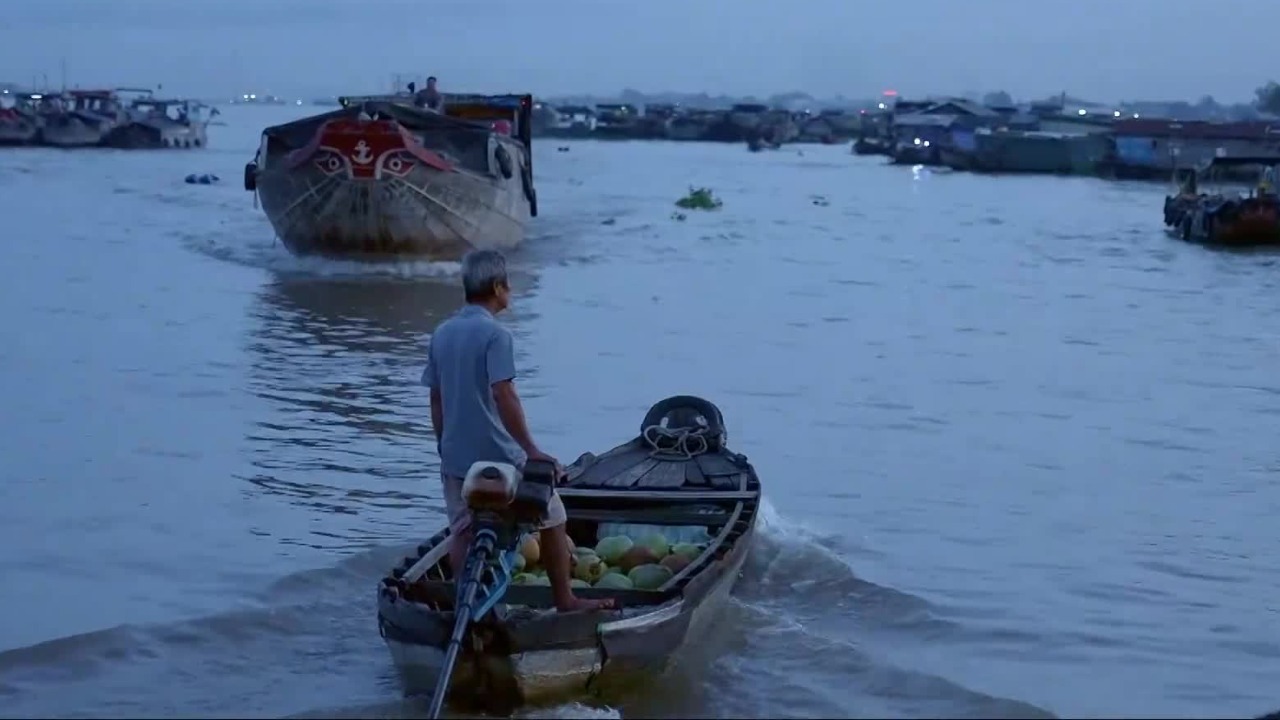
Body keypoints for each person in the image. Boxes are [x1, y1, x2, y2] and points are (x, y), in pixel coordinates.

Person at [422, 250, 615, 613]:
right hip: (499, 457)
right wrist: (531, 451)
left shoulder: (442, 333)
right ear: (497, 288)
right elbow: (503, 392)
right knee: (554, 517)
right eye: (507, 285)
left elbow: (436, 400)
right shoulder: (496, 335)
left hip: (455, 460)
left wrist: (443, 446)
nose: (509, 291)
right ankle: (565, 599)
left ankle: (467, 606)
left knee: (462, 530)